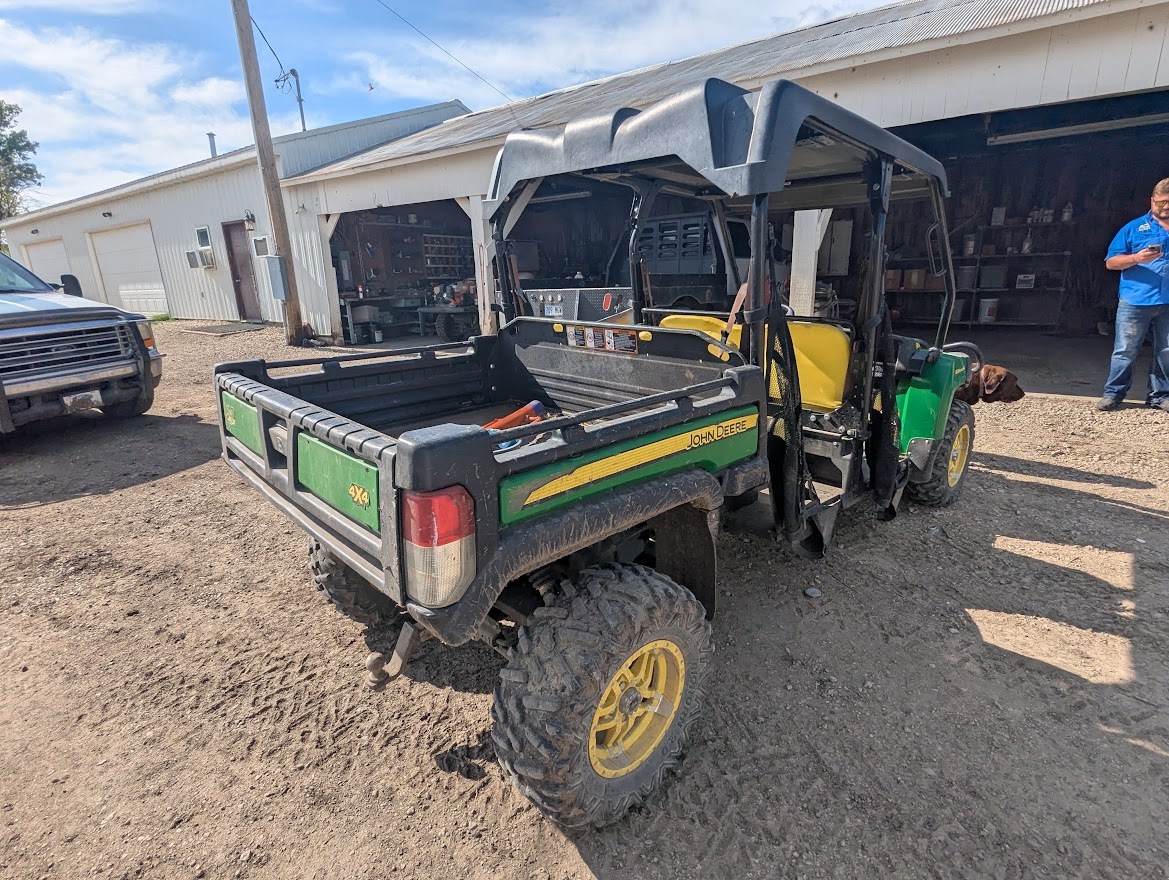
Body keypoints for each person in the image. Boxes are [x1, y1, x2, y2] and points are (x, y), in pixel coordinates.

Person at [1098, 177, 1169, 411]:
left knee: (1167, 352)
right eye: (1161, 202)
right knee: (1125, 350)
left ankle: (1161, 396)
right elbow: (1111, 262)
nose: (1165, 207)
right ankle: (1113, 394)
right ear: (1152, 200)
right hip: (1135, 299)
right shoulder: (1133, 228)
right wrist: (1136, 258)